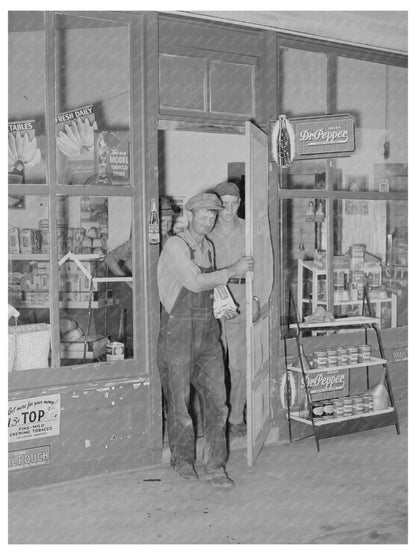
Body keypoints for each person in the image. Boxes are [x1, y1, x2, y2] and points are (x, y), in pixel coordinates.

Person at [157, 192, 254, 487]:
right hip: (178, 333)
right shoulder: (176, 246)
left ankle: (215, 465)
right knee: (180, 403)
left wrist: (223, 302)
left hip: (208, 331)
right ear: (190, 214)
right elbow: (195, 281)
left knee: (217, 401)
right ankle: (183, 460)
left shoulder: (208, 246)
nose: (209, 219)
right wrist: (232, 271)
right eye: (203, 214)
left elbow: (211, 288)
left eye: (213, 214)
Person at [208, 181, 247, 438]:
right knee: (212, 364)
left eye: (234, 204)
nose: (230, 210)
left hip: (241, 298)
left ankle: (236, 417)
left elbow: (263, 265)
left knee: (239, 365)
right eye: (225, 206)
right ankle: (215, 414)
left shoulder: (248, 229)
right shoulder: (206, 231)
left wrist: (256, 301)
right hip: (213, 302)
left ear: (240, 204)